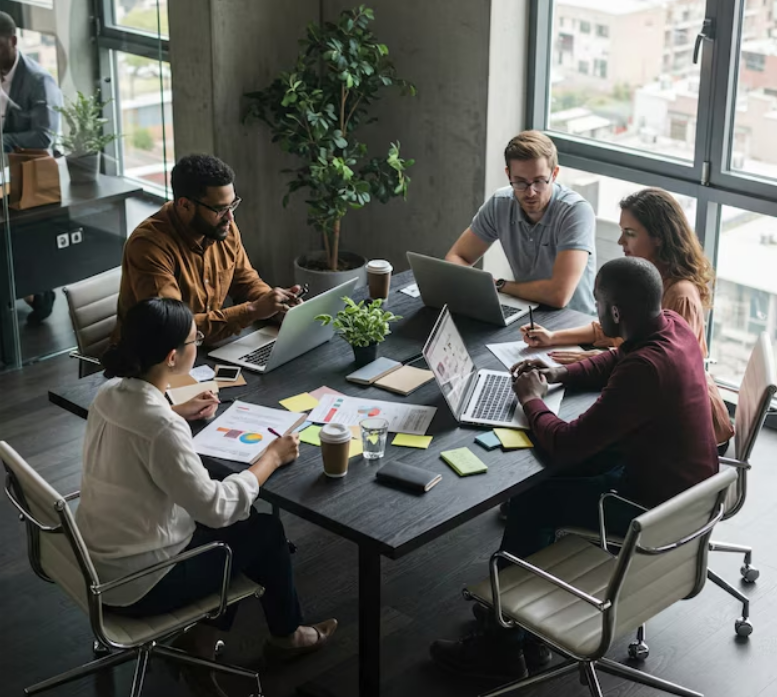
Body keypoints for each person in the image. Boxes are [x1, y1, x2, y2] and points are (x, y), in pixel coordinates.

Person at [430, 257, 719, 680]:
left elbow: (565, 445)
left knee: (534, 500)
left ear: (615, 311)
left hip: (654, 512)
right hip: (686, 494)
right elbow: (616, 360)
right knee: (550, 487)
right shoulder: (671, 325)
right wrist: (557, 373)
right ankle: (519, 621)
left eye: (599, 303)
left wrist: (531, 399)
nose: (597, 311)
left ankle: (502, 646)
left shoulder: (645, 369)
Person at [76, 297, 337, 666]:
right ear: (171, 357)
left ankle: (202, 639)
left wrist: (175, 411)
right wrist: (271, 458)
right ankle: (288, 636)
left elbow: (143, 426)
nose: (197, 344)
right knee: (264, 531)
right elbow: (217, 510)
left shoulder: (110, 393)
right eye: (194, 339)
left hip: (97, 564)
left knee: (237, 533)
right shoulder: (161, 426)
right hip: (141, 586)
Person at [520, 187, 734, 451]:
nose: (621, 241)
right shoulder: (648, 283)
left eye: (630, 233)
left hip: (690, 433)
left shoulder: (679, 296)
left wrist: (535, 395)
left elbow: (662, 365)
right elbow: (617, 333)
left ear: (659, 238)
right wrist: (554, 340)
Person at [114, 154, 303, 344]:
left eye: (233, 205)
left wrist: (277, 304)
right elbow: (172, 327)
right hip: (153, 359)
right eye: (220, 209)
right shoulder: (149, 245)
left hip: (204, 348)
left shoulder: (222, 228)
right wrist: (252, 310)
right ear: (185, 205)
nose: (230, 218)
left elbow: (245, 281)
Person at [445, 130, 596, 315]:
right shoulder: (499, 204)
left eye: (539, 181)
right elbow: (456, 257)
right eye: (520, 182)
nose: (530, 192)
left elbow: (559, 294)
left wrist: (500, 286)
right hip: (527, 313)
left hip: (573, 323)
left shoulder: (575, 211)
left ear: (554, 174)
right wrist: (483, 289)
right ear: (508, 175)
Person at [0, 11, 64, 322]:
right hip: (4, 171)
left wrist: (2, 140)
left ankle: (38, 291)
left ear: (12, 41)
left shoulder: (39, 80)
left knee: (19, 242)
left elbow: (43, 136)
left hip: (28, 176)